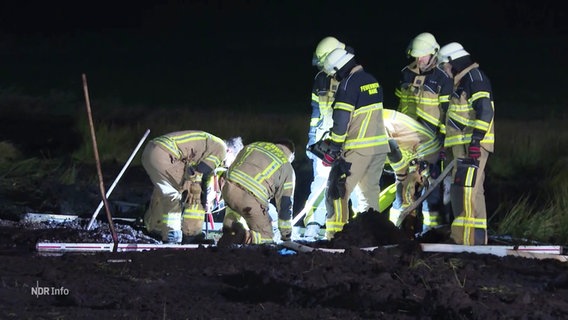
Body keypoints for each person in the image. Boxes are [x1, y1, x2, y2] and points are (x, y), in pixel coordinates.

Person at [312, 48, 390, 239]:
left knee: (336, 191)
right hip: (379, 147)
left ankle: (335, 237)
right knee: (369, 195)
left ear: (338, 67)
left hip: (358, 149)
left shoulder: (347, 85)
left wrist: (334, 148)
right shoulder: (372, 80)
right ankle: (371, 238)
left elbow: (341, 122)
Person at [303, 36, 362, 240]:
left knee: (353, 182)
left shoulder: (352, 77)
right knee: (320, 182)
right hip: (324, 138)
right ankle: (313, 223)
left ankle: (362, 222)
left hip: (347, 139)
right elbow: (316, 110)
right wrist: (312, 138)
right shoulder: (321, 77)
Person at [437, 42, 495, 245]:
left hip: (472, 146)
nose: (444, 71)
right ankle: (476, 242)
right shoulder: (461, 82)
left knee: (466, 192)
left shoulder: (474, 79)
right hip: (461, 145)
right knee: (470, 192)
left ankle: (464, 241)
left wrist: (476, 140)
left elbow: (485, 111)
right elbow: (454, 118)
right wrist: (447, 145)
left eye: (444, 66)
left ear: (453, 62)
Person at [395, 32, 454, 229]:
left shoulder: (443, 77)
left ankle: (432, 230)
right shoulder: (406, 73)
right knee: (403, 185)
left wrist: (444, 138)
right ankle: (400, 228)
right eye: (417, 55)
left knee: (431, 185)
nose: (419, 59)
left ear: (433, 54)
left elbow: (447, 111)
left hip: (430, 140)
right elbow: (399, 105)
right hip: (405, 139)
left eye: (423, 55)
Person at [141, 130, 243, 244]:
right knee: (189, 190)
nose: (227, 166)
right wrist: (203, 200)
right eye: (231, 162)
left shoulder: (210, 144)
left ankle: (159, 228)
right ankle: (187, 234)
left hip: (151, 151)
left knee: (169, 193)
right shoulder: (221, 149)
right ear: (230, 151)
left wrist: (205, 201)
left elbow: (200, 172)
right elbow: (201, 172)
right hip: (166, 154)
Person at [218, 140, 296, 246]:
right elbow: (285, 205)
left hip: (227, 188)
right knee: (267, 237)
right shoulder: (287, 166)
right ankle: (243, 237)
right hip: (250, 198)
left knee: (234, 209)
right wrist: (286, 235)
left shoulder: (254, 145)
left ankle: (229, 229)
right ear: (291, 155)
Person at [383, 109, 442, 238]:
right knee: (403, 193)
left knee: (420, 193)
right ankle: (396, 233)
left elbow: (392, 150)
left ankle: (429, 233)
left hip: (425, 150)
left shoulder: (378, 124)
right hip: (411, 153)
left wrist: (402, 176)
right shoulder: (375, 117)